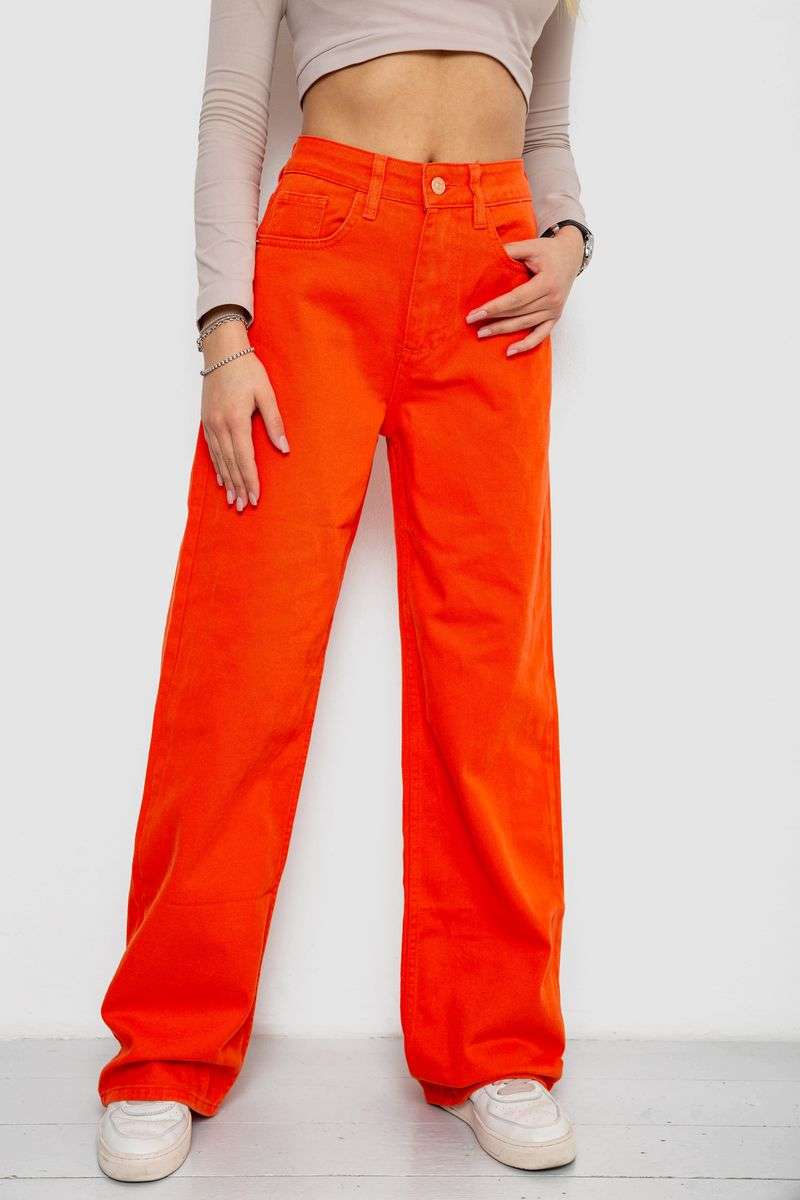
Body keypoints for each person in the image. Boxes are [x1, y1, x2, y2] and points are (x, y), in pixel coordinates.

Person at [96, 0, 594, 1182]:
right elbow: (232, 113)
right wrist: (224, 334)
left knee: (489, 678)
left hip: (495, 275)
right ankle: (165, 1051)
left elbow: (545, 125)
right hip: (322, 251)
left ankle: (492, 1049)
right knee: (242, 658)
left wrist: (569, 234)